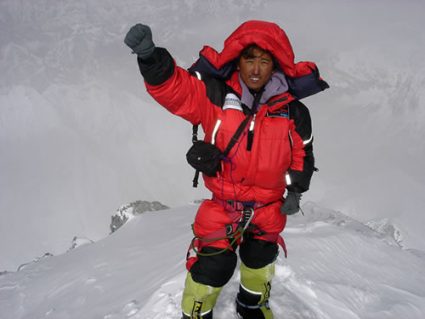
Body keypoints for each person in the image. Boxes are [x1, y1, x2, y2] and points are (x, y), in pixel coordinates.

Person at [124, 20, 328, 319]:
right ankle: (195, 314)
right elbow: (177, 90)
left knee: (260, 259)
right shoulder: (216, 95)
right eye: (249, 59)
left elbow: (303, 152)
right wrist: (150, 57)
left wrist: (296, 188)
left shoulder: (294, 112)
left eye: (264, 60)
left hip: (269, 205)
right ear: (237, 61)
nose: (256, 69)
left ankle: (251, 305)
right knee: (213, 266)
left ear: (276, 66)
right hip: (224, 204)